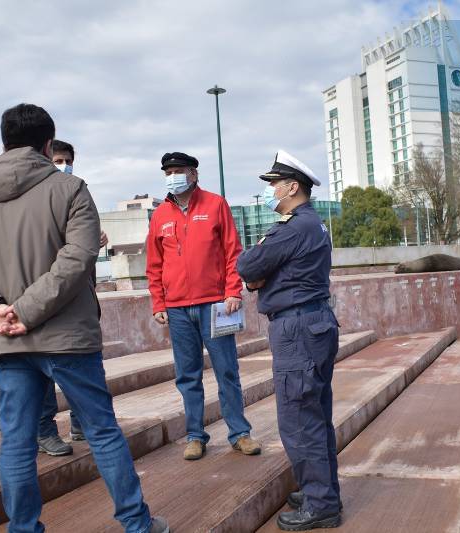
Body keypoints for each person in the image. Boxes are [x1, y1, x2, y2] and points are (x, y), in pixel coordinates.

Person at [0, 103, 166, 533]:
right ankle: (138, 525)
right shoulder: (70, 190)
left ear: (4, 143)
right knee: (101, 431)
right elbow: (78, 257)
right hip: (66, 338)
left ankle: (23, 528)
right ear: (47, 145)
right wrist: (26, 311)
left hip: (6, 340)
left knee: (17, 444)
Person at [236, 150, 341, 531]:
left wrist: (259, 276)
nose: (271, 190)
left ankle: (321, 503)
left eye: (274, 184)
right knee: (315, 415)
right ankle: (322, 489)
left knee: (300, 420)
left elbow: (248, 266)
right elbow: (260, 272)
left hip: (297, 328)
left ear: (292, 186)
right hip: (314, 322)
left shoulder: (293, 227)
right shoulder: (314, 224)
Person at [145, 151, 261, 460]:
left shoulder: (215, 204)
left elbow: (232, 251)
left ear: (194, 174)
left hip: (215, 305)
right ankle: (195, 436)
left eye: (180, 170)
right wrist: (159, 301)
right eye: (168, 172)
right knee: (187, 376)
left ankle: (240, 433)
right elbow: (154, 264)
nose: (174, 176)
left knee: (227, 371)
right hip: (177, 308)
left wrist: (232, 291)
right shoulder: (159, 215)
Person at [35, 139, 109, 456]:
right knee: (41, 374)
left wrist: (93, 244)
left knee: (83, 367)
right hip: (45, 299)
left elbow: (81, 250)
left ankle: (81, 425)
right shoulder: (36, 198)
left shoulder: (79, 192)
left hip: (81, 298)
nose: (62, 165)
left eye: (66, 160)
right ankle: (44, 431)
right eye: (56, 160)